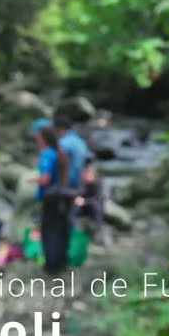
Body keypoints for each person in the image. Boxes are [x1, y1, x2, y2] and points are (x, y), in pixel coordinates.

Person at [52, 113, 108, 245]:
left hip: (67, 185)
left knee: (67, 216)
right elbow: (89, 161)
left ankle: (72, 242)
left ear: (60, 129)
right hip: (80, 185)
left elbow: (57, 163)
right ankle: (95, 234)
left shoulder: (63, 143)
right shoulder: (80, 142)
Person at [30, 118, 72, 274]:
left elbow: (45, 179)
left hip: (50, 198)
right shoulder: (59, 153)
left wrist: (33, 179)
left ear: (44, 139)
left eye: (38, 138)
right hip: (61, 197)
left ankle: (51, 266)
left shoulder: (47, 155)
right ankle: (61, 263)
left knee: (49, 232)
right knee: (61, 230)